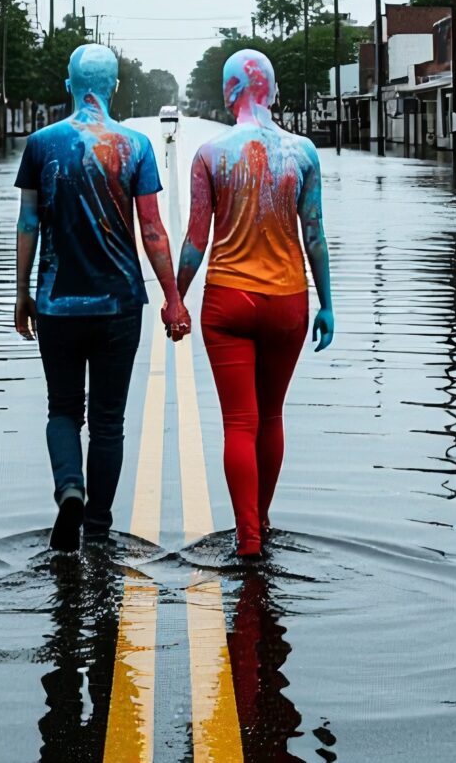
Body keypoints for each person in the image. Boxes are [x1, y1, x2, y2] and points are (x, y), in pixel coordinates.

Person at [14, 44, 191, 552]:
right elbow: (153, 230)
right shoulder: (135, 146)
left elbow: (28, 223)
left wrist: (22, 291)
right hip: (118, 305)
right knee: (109, 420)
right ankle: (97, 527)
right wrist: (173, 299)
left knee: (63, 410)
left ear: (69, 84)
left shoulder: (42, 144)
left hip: (57, 303)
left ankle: (70, 489)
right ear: (113, 87)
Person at [177, 48, 334, 561]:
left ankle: (246, 536)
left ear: (230, 92)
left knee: (238, 423)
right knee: (271, 418)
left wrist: (175, 296)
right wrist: (327, 305)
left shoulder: (210, 154)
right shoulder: (304, 152)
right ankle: (263, 520)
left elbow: (196, 241)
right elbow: (315, 236)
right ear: (273, 90)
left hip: (228, 303)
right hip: (288, 301)